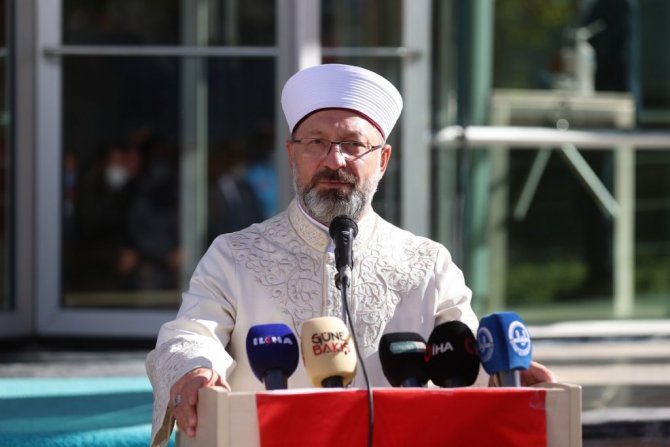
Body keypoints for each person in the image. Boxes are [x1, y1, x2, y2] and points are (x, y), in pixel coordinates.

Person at [146, 64, 555, 446]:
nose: (334, 160)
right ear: (291, 154)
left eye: (353, 145)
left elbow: (466, 360)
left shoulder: (428, 263)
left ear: (383, 160)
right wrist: (194, 369)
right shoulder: (234, 254)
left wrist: (505, 379)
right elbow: (191, 334)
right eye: (316, 143)